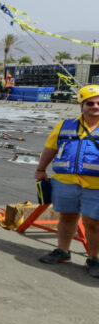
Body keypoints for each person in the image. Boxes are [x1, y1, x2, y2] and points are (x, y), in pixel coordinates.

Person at [35, 84, 99, 278]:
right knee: (67, 218)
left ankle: (95, 259)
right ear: (81, 105)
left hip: (95, 186)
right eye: (90, 103)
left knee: (93, 223)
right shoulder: (64, 126)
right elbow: (50, 149)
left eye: (98, 102)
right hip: (65, 182)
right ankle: (63, 252)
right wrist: (40, 169)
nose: (95, 106)